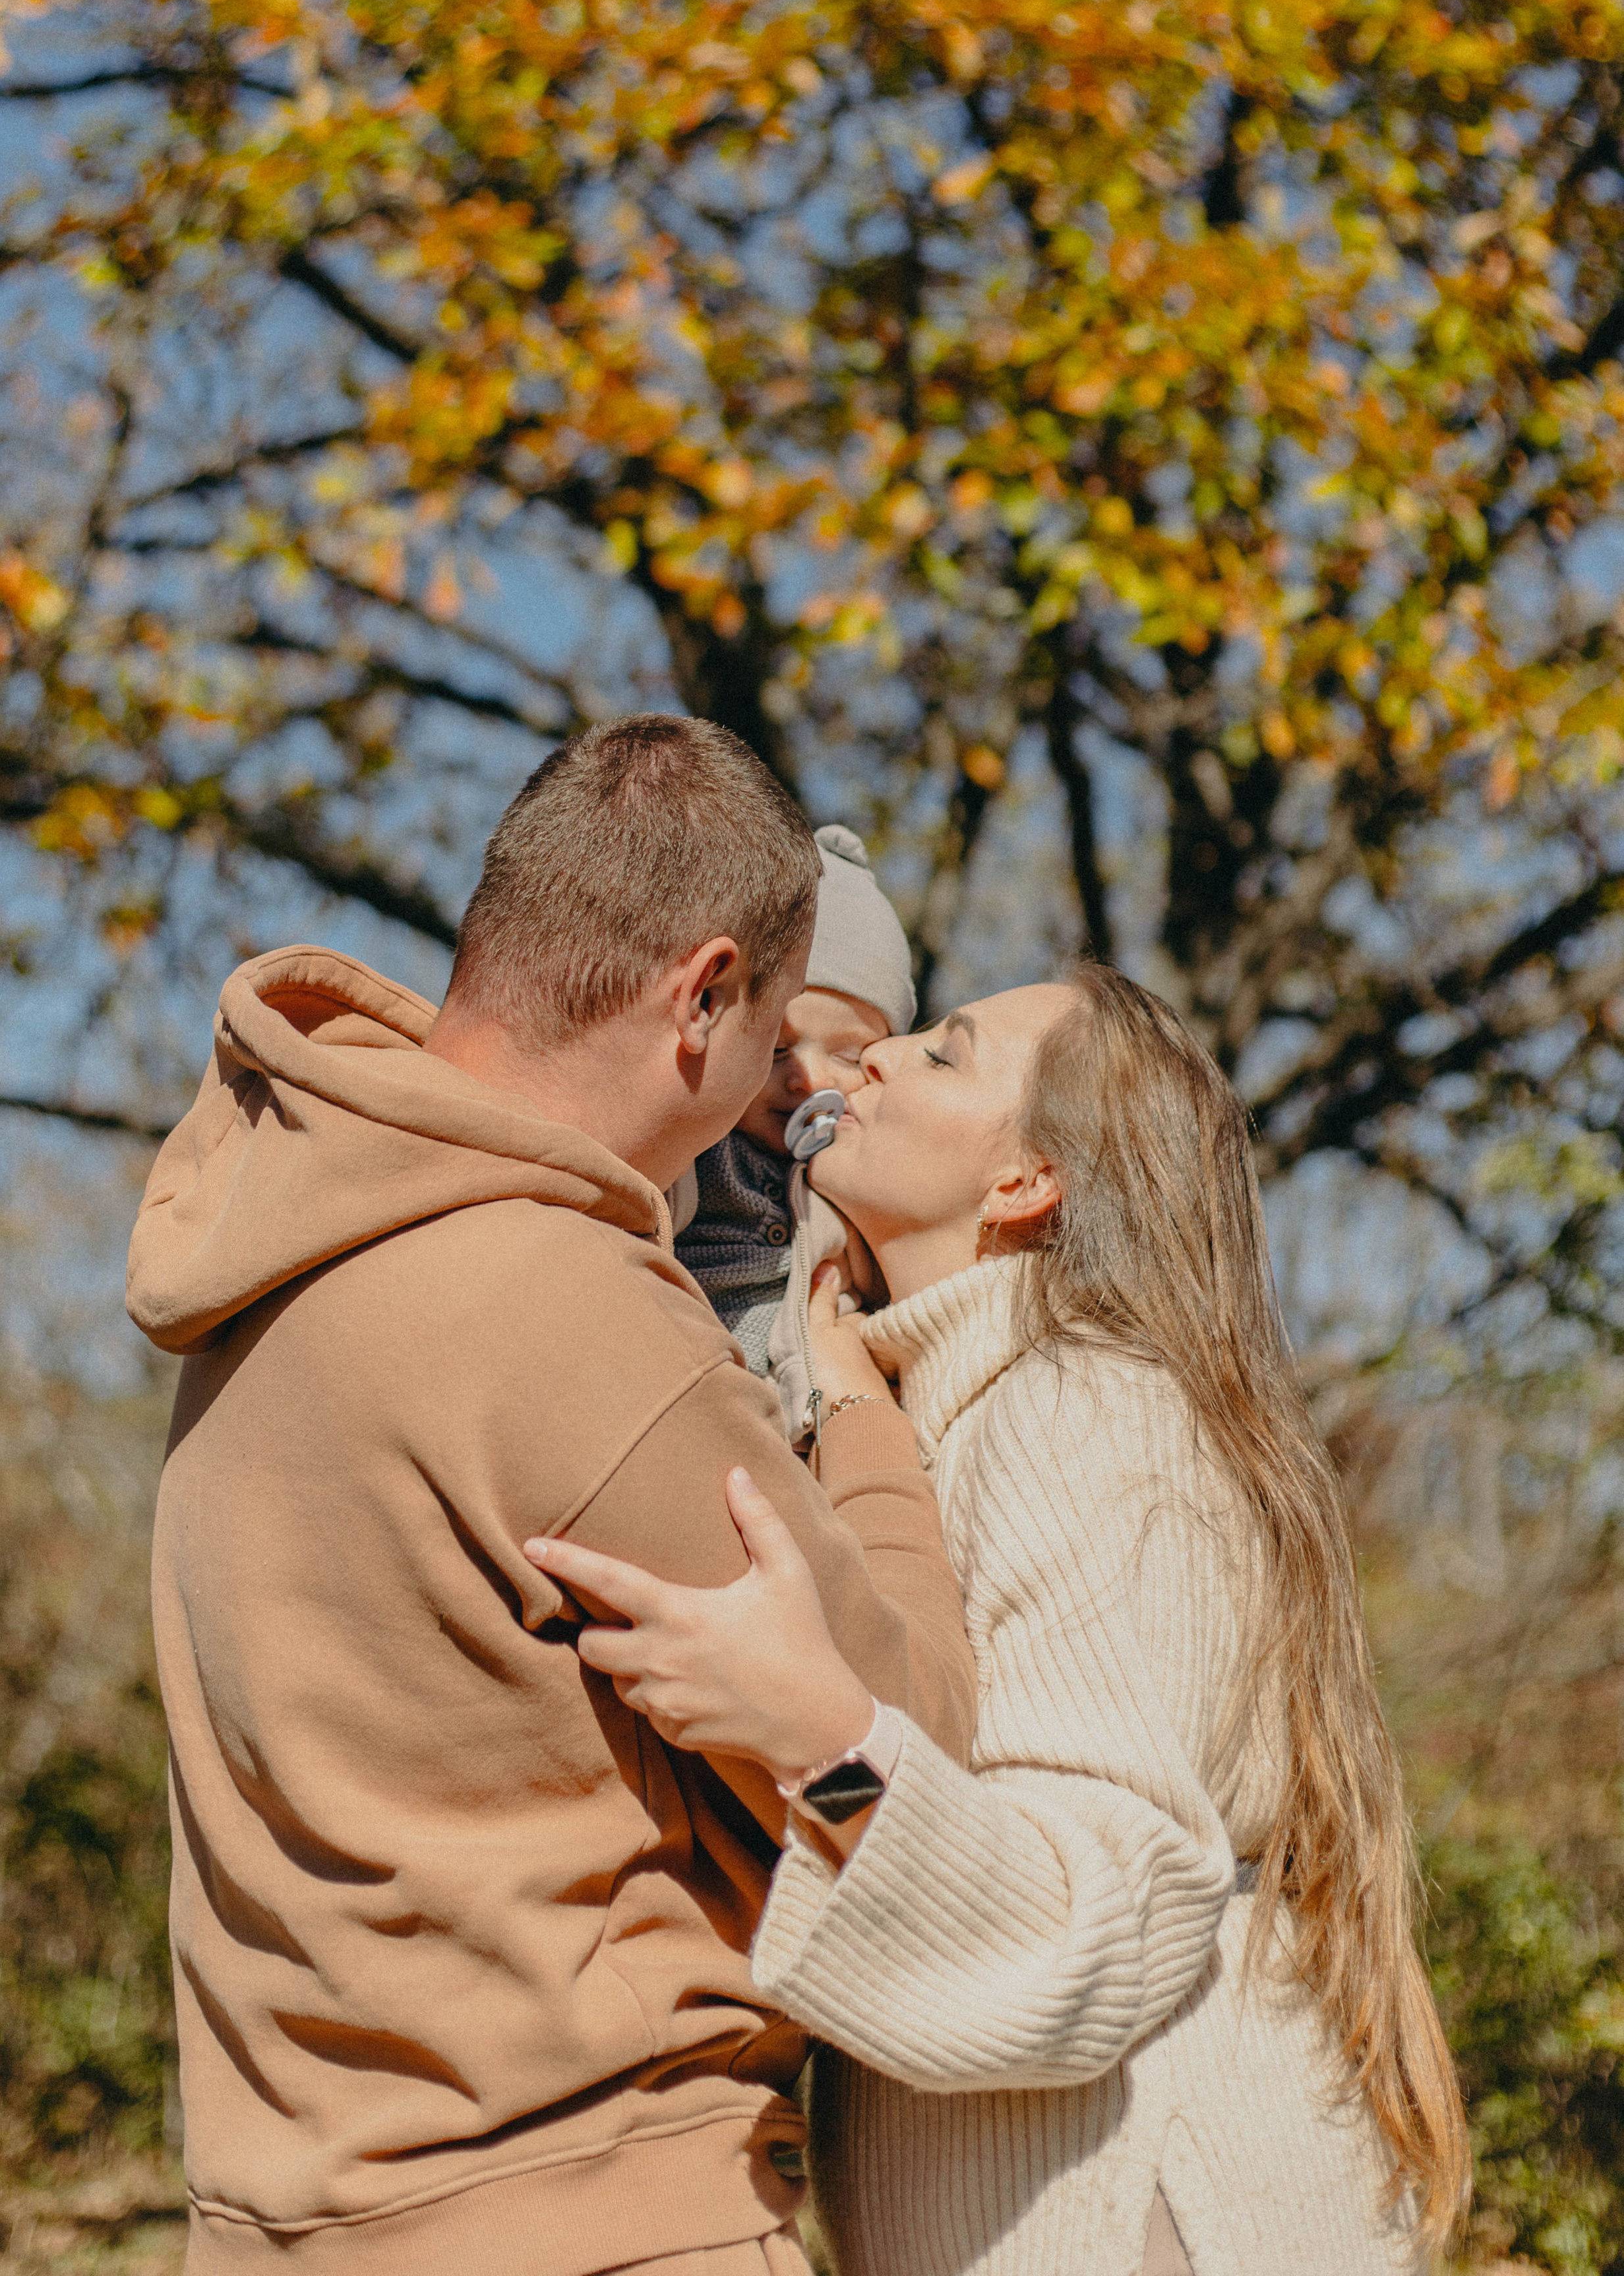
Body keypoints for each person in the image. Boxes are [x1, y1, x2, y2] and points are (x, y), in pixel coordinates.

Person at [125, 717, 975, 2276]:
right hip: (596, 2211)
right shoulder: (563, 1312)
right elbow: (912, 1739)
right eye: (770, 1036)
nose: (774, 1110)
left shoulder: (265, 1269)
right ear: (701, 993)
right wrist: (854, 1402)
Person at [526, 966, 1473, 2276]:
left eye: (942, 1055)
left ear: (1027, 1182)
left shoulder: (1077, 1414)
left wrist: (823, 1739)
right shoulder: (963, 1419)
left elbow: (1103, 1914)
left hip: (1150, 2223)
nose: (871, 1060)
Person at [671, 823, 914, 1439]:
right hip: (682, 1387)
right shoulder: (695, 1140)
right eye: (778, 1047)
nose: (809, 1078)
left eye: (852, 1057)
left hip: (812, 1423)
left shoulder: (874, 1175)